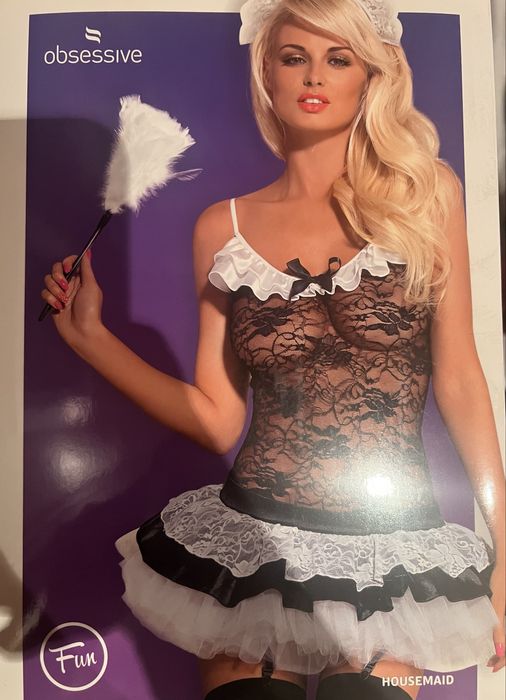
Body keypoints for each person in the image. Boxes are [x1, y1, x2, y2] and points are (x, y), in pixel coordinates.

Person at [41, 0, 505, 698]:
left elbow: (460, 376)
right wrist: (92, 339)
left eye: (338, 58)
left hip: (390, 554)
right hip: (253, 546)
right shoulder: (221, 227)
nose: (314, 75)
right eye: (294, 57)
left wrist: (505, 543)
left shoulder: (425, 194)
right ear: (267, 73)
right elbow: (218, 418)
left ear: (369, 77)